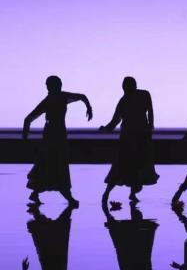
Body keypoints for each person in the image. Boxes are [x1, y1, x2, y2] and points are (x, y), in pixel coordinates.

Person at [22, 75, 92, 206]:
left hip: (56, 133)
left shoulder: (59, 97)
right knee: (56, 163)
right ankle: (67, 196)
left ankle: (36, 193)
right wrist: (25, 138)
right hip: (53, 135)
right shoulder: (55, 98)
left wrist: (89, 107)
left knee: (50, 163)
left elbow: (82, 96)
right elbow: (28, 119)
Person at [99, 76, 159, 203]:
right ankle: (111, 193)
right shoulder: (136, 97)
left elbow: (115, 121)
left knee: (127, 166)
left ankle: (115, 193)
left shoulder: (127, 99)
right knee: (128, 165)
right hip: (134, 136)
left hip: (135, 136)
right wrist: (150, 127)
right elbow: (149, 112)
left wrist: (105, 129)